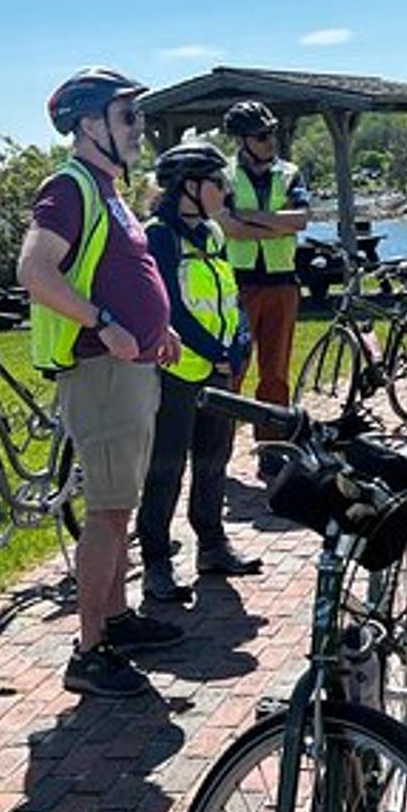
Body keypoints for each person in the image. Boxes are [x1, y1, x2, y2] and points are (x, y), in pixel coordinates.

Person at [19, 67, 186, 697]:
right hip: (101, 371)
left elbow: (124, 269)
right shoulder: (69, 188)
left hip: (132, 366)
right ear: (90, 126)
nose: (139, 128)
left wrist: (153, 330)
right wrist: (106, 324)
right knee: (108, 513)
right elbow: (35, 271)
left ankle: (116, 618)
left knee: (119, 508)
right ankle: (89, 652)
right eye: (128, 117)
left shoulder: (107, 188)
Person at [135, 139, 260, 600]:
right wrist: (214, 350)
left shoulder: (213, 234)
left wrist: (240, 342)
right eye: (218, 182)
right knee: (165, 468)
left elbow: (231, 296)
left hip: (220, 368)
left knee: (214, 461)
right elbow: (168, 307)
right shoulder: (159, 236)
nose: (225, 191)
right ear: (190, 186)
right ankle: (157, 564)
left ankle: (212, 545)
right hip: (179, 370)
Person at [221, 100, 312, 467]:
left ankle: (272, 451)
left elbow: (302, 220)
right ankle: (218, 453)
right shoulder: (223, 176)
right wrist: (275, 223)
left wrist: (253, 218)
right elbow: (228, 227)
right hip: (240, 286)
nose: (270, 140)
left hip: (282, 284)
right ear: (243, 140)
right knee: (233, 372)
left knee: (275, 374)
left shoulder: (289, 173)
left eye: (272, 133)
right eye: (262, 136)